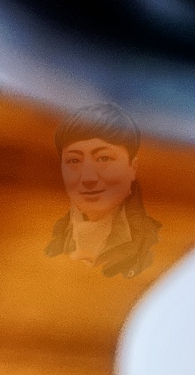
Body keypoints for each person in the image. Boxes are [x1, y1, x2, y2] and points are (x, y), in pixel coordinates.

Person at [43, 102, 161, 279]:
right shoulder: (47, 240)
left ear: (133, 168)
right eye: (74, 160)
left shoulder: (156, 246)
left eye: (104, 158)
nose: (88, 177)